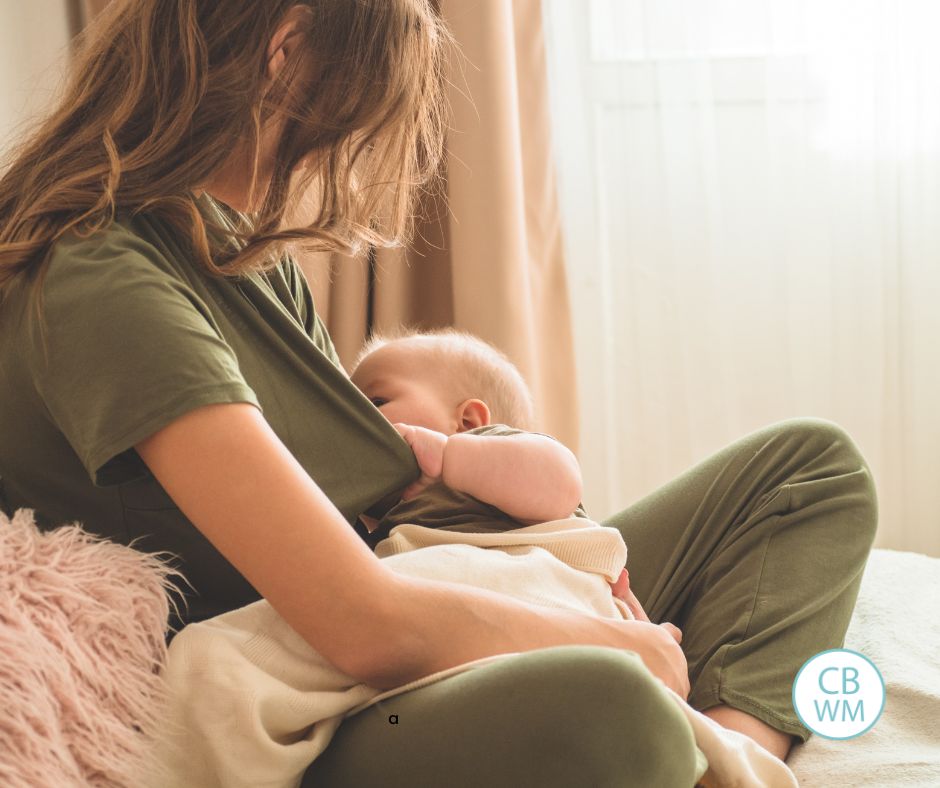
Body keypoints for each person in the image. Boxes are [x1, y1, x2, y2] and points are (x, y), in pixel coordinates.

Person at [0, 2, 877, 786]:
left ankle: (735, 746)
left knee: (811, 469)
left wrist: (559, 578)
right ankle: (690, 738)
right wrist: (619, 645)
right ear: (287, 51)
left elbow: (373, 510)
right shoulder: (105, 277)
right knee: (613, 705)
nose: (343, 153)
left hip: (406, 588)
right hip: (319, 699)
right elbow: (359, 620)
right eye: (357, 111)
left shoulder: (234, 245)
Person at [347, 327, 653, 624]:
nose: (355, 420)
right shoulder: (376, 524)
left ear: (468, 421)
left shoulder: (499, 459)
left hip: (546, 605)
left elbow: (561, 485)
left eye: (375, 402)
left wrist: (447, 456)